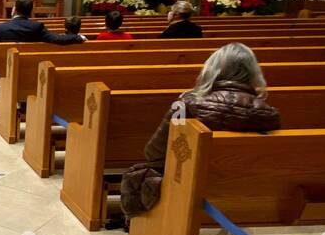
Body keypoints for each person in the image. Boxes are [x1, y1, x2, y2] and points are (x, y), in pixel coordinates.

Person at [119, 42, 281, 221]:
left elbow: (154, 153)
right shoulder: (269, 114)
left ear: (212, 69)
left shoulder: (188, 104)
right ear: (254, 74)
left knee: (140, 174)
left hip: (187, 189)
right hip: (244, 192)